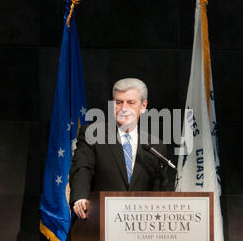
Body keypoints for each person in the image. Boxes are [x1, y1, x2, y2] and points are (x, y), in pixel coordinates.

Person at [69, 78, 169, 219]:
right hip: (99, 222)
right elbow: (82, 169)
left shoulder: (155, 145)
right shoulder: (93, 134)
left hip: (141, 227)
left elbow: (159, 189)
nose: (124, 109)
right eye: (119, 102)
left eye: (130, 102)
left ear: (143, 106)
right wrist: (80, 198)